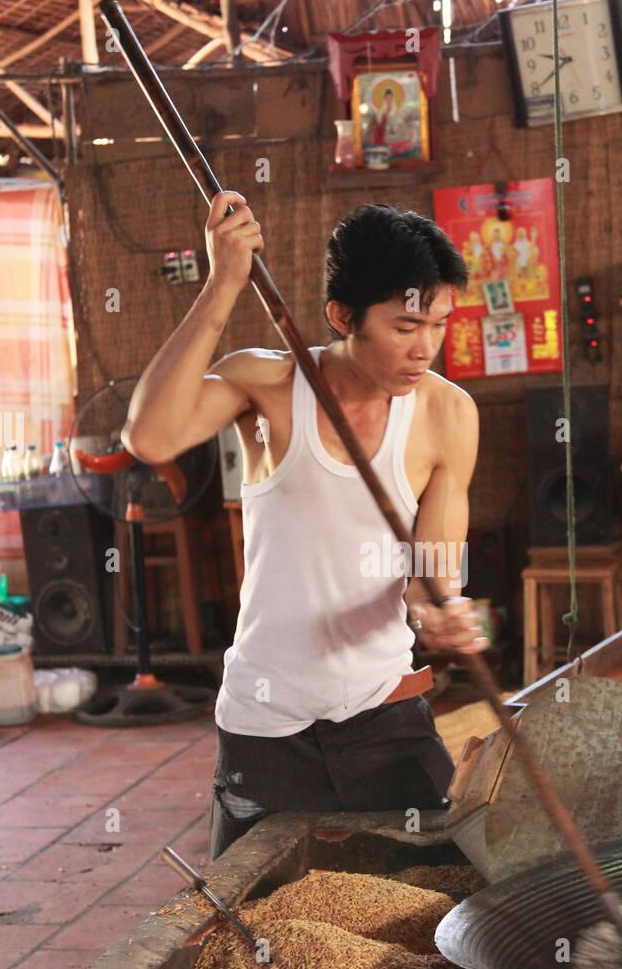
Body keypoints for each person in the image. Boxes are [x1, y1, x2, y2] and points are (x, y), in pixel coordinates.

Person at [122, 199, 487, 858]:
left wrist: (441, 608)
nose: (425, 348)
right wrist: (222, 284)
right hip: (267, 729)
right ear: (343, 317)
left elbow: (432, 565)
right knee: (255, 936)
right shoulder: (269, 383)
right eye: (406, 325)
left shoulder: (447, 414)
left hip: (385, 719)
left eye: (438, 323)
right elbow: (149, 436)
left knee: (443, 910)